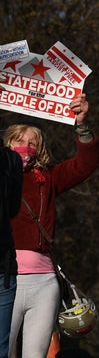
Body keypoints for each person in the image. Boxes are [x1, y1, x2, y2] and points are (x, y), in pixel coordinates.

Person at [3, 95, 99, 358]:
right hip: (5, 278)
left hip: (44, 283)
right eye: (19, 141)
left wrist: (82, 124)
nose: (26, 147)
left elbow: (86, 164)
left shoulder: (48, 177)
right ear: (7, 144)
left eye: (32, 143)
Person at [0, 146, 22, 357]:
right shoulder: (11, 159)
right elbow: (13, 208)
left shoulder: (10, 159)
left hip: (4, 270)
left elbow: (13, 208)